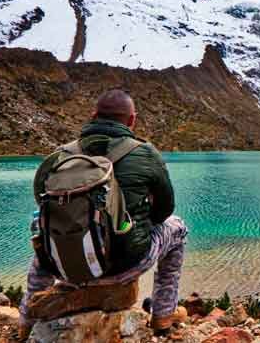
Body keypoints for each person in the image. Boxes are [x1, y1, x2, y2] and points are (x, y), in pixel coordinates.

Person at [18, 89, 187, 338]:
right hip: (125, 265)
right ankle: (162, 317)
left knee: (48, 233)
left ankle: (26, 320)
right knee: (178, 227)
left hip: (65, 267)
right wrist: (131, 222)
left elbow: (43, 206)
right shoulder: (146, 154)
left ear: (94, 116)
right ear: (131, 120)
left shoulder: (59, 157)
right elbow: (165, 210)